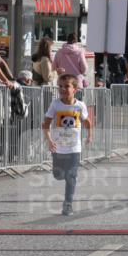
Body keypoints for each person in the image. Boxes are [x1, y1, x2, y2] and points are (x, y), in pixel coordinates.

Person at [42, 73, 93, 217]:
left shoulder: (80, 106)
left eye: (67, 86)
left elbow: (88, 122)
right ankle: (63, 176)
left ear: (75, 89)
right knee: (58, 175)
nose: (63, 89)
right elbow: (45, 124)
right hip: (58, 147)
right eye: (60, 86)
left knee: (71, 176)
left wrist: (90, 135)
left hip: (74, 148)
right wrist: (49, 140)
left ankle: (68, 205)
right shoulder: (55, 104)